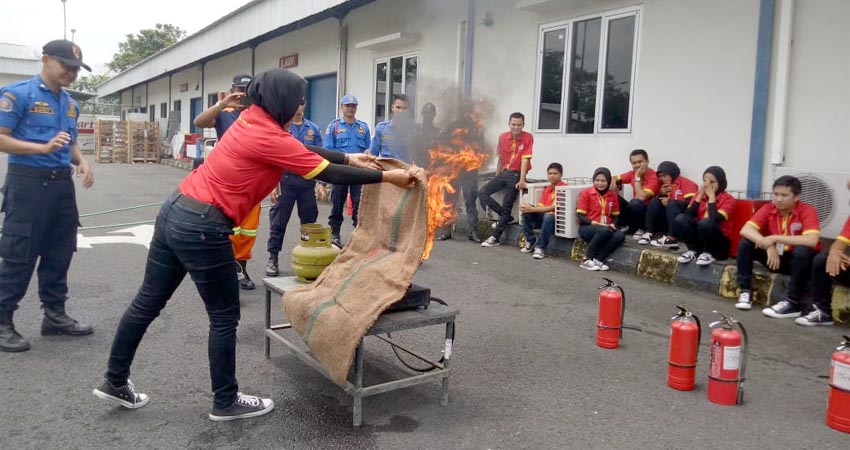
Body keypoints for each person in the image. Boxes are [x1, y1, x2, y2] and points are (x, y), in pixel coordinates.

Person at [93, 68, 414, 421]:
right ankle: (225, 401)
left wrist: (350, 156)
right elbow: (326, 173)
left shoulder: (252, 118)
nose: (299, 106)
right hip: (203, 226)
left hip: (176, 210)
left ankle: (114, 380)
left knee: (147, 302)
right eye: (296, 99)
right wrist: (386, 176)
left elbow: (302, 149)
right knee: (224, 315)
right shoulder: (269, 135)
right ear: (281, 100)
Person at [0, 39, 95, 353]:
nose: (71, 73)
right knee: (19, 254)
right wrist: (41, 148)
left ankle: (54, 316)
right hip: (27, 184)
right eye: (66, 66)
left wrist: (82, 162)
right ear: (45, 60)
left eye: (76, 69)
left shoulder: (70, 103)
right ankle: (2, 321)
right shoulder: (18, 94)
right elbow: (2, 138)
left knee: (60, 251)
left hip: (60, 186)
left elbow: (69, 144)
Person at [192, 73, 259, 290]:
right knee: (225, 227)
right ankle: (225, 271)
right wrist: (222, 104)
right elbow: (199, 122)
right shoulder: (224, 112)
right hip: (227, 179)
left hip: (252, 179)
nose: (243, 94)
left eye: (247, 90)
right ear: (232, 91)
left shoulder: (259, 113)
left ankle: (241, 269)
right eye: (239, 90)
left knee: (248, 231)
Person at [735, 175, 820, 314]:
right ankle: (745, 291)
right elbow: (745, 230)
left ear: (796, 197)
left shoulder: (807, 210)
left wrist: (774, 238)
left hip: (800, 263)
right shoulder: (769, 208)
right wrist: (769, 245)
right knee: (746, 244)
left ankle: (792, 302)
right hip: (776, 257)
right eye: (776, 194)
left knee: (802, 250)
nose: (778, 199)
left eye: (784, 195)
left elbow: (812, 240)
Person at [265, 101, 323, 276]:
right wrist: (273, 185)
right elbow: (273, 158)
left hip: (306, 182)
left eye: (301, 103)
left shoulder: (313, 129)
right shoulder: (281, 127)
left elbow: (319, 157)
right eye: (295, 102)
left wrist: (321, 183)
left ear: (305, 105)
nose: (298, 106)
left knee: (309, 222)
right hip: (285, 181)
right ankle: (272, 259)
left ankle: (310, 259)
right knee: (278, 222)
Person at [324, 94, 371, 248]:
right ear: (342, 107)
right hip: (340, 171)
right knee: (337, 202)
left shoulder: (363, 127)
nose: (350, 108)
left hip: (358, 172)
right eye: (347, 105)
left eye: (353, 106)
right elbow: (328, 150)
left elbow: (367, 150)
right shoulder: (334, 126)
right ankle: (335, 233)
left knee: (360, 204)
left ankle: (359, 235)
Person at [480, 112, 532, 247]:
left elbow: (525, 159)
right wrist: (497, 175)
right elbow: (500, 158)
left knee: (507, 203)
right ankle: (505, 217)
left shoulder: (528, 137)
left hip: (516, 174)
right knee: (482, 193)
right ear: (509, 124)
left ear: (523, 125)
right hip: (504, 172)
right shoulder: (503, 137)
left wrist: (522, 179)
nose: (516, 127)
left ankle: (495, 237)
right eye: (513, 124)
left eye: (519, 125)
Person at [435, 102, 483, 243]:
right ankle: (446, 231)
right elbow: (442, 146)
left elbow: (482, 149)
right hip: (453, 169)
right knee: (449, 201)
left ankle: (473, 232)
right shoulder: (452, 127)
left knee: (470, 200)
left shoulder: (477, 128)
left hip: (470, 170)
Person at [672, 166, 737, 266]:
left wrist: (711, 197)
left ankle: (709, 253)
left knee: (706, 222)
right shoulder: (700, 195)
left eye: (712, 182)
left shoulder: (729, 200)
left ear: (721, 183)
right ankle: (693, 250)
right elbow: (688, 215)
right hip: (701, 240)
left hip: (719, 244)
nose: (707, 185)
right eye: (705, 181)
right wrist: (699, 196)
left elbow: (714, 218)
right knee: (681, 219)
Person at [634, 161, 696, 247]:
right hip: (667, 220)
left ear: (672, 173)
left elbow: (692, 205)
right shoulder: (665, 186)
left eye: (664, 176)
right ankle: (648, 232)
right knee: (654, 201)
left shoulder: (687, 183)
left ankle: (671, 238)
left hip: (680, 221)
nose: (662, 179)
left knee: (672, 204)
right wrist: (660, 194)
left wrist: (671, 202)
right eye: (660, 176)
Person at [576, 168, 624, 271]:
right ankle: (586, 259)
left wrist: (613, 224)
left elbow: (615, 216)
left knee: (620, 235)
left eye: (603, 181)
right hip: (588, 227)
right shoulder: (586, 193)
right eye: (597, 180)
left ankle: (598, 259)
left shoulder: (613, 195)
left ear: (608, 182)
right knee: (604, 230)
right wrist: (592, 222)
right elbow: (580, 215)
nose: (600, 183)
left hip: (606, 227)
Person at [519, 163, 566, 259]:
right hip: (545, 219)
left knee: (548, 215)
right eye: (550, 173)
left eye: (555, 173)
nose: (552, 176)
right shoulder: (549, 188)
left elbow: (554, 208)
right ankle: (530, 241)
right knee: (527, 209)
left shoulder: (564, 189)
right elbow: (541, 206)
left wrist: (533, 209)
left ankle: (540, 248)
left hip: (558, 223)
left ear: (561, 175)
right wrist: (529, 208)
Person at [614, 149, 660, 237]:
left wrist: (638, 177)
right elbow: (614, 178)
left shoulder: (654, 177)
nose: (637, 165)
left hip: (649, 215)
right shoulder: (632, 173)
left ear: (647, 161)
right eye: (634, 163)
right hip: (635, 212)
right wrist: (616, 186)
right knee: (614, 197)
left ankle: (641, 228)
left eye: (640, 162)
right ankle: (626, 225)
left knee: (635, 203)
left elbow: (641, 197)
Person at [370, 94, 412, 163]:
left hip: (405, 171)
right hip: (386, 171)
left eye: (404, 108)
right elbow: (372, 156)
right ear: (392, 107)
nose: (401, 111)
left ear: (408, 110)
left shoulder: (412, 132)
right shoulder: (381, 129)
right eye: (398, 107)